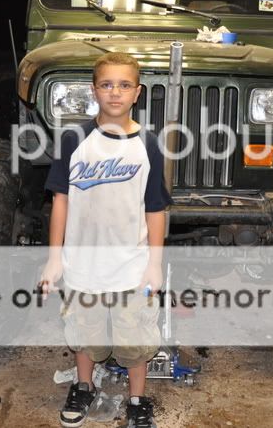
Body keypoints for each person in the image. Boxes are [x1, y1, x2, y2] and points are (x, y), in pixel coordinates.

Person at [40, 51, 171, 428]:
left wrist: (154, 264)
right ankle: (84, 386)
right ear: (94, 90)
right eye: (107, 84)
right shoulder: (74, 140)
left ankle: (137, 400)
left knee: (134, 340)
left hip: (131, 265)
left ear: (137, 93)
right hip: (83, 265)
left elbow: (155, 208)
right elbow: (60, 201)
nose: (116, 93)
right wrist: (55, 259)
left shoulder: (147, 144)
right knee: (85, 335)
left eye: (125, 85)